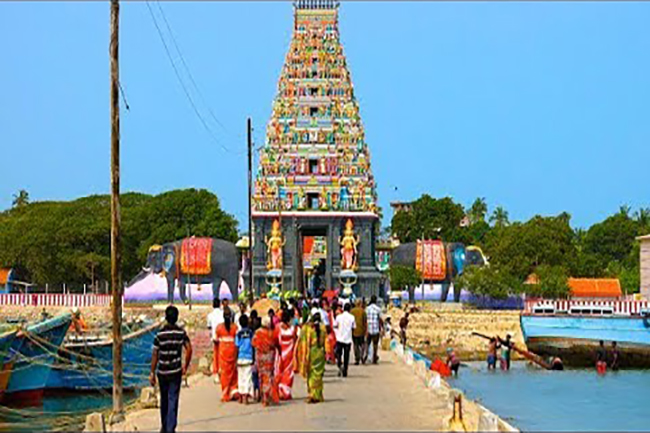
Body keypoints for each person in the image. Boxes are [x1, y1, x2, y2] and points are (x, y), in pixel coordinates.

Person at [150, 306, 192, 433]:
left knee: (164, 399)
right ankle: (170, 427)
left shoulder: (160, 334)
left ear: (166, 317)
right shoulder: (181, 333)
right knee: (173, 399)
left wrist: (152, 372)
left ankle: (164, 426)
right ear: (177, 317)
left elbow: (155, 354)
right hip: (175, 371)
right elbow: (189, 349)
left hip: (162, 371)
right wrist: (185, 365)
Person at [295, 312, 327, 404]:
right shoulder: (323, 328)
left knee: (311, 375)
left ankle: (312, 394)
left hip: (311, 353)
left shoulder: (307, 329)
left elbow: (302, 341)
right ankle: (318, 394)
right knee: (318, 375)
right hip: (320, 353)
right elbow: (326, 342)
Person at [252, 316, 280, 406]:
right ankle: (267, 396)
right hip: (269, 357)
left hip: (260, 357)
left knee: (261, 376)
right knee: (268, 376)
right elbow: (276, 343)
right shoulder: (272, 333)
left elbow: (253, 344)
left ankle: (263, 396)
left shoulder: (257, 333)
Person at [215, 309, 239, 402]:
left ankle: (226, 393)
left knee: (224, 374)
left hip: (223, 352)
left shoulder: (219, 328)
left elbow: (216, 340)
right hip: (233, 352)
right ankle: (234, 390)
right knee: (233, 373)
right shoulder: (235, 327)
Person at [275, 308, 298, 400]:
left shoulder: (277, 327)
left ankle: (278, 391)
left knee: (278, 372)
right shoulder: (293, 329)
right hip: (288, 354)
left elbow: (275, 339)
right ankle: (285, 392)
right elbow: (296, 339)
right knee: (288, 373)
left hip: (280, 353)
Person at [235, 315, 254, 405]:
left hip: (240, 357)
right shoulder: (251, 333)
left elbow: (236, 346)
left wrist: (235, 359)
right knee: (247, 377)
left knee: (240, 377)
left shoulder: (238, 334)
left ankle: (241, 396)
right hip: (248, 357)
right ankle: (246, 396)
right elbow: (253, 345)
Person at [334, 302, 356, 377]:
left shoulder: (339, 317)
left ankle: (339, 365)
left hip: (339, 338)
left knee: (338, 354)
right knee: (346, 355)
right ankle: (345, 369)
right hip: (348, 339)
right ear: (350, 309)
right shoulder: (352, 317)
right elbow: (354, 327)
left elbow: (335, 325)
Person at [207, 298, 225, 382]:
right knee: (222, 356)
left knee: (216, 356)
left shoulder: (210, 315)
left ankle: (217, 374)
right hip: (223, 337)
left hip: (215, 337)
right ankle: (222, 372)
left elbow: (209, 327)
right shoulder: (222, 314)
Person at [365, 295, 383, 364]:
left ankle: (366, 356)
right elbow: (380, 319)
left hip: (368, 329)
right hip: (375, 329)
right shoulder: (378, 309)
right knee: (375, 344)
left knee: (367, 343)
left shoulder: (367, 309)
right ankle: (374, 358)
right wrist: (382, 328)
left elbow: (365, 319)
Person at [350, 300, 367, 365]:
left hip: (354, 331)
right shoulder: (363, 311)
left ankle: (357, 358)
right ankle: (362, 356)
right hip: (361, 330)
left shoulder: (352, 311)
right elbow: (365, 321)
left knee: (355, 345)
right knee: (362, 344)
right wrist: (365, 330)